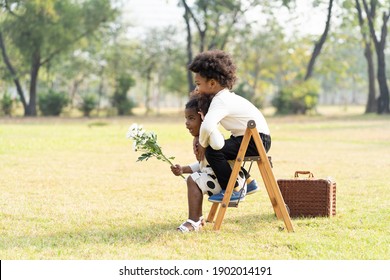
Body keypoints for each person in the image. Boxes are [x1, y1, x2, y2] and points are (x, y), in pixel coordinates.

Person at [188, 49, 271, 203]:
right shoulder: (222, 98)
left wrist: (202, 146)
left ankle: (233, 189)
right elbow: (210, 128)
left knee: (213, 152)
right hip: (255, 138)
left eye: (198, 84)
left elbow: (207, 127)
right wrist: (199, 138)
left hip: (255, 140)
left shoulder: (221, 100)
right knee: (222, 148)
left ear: (212, 83)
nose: (197, 89)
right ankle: (248, 182)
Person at [170, 94, 246, 232]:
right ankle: (197, 219)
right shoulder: (201, 139)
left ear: (203, 118)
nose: (187, 123)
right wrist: (183, 169)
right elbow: (203, 165)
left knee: (193, 180)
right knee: (193, 178)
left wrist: (206, 127)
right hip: (218, 179)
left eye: (191, 118)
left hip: (230, 183)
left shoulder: (212, 136)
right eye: (186, 118)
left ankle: (194, 221)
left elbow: (214, 151)